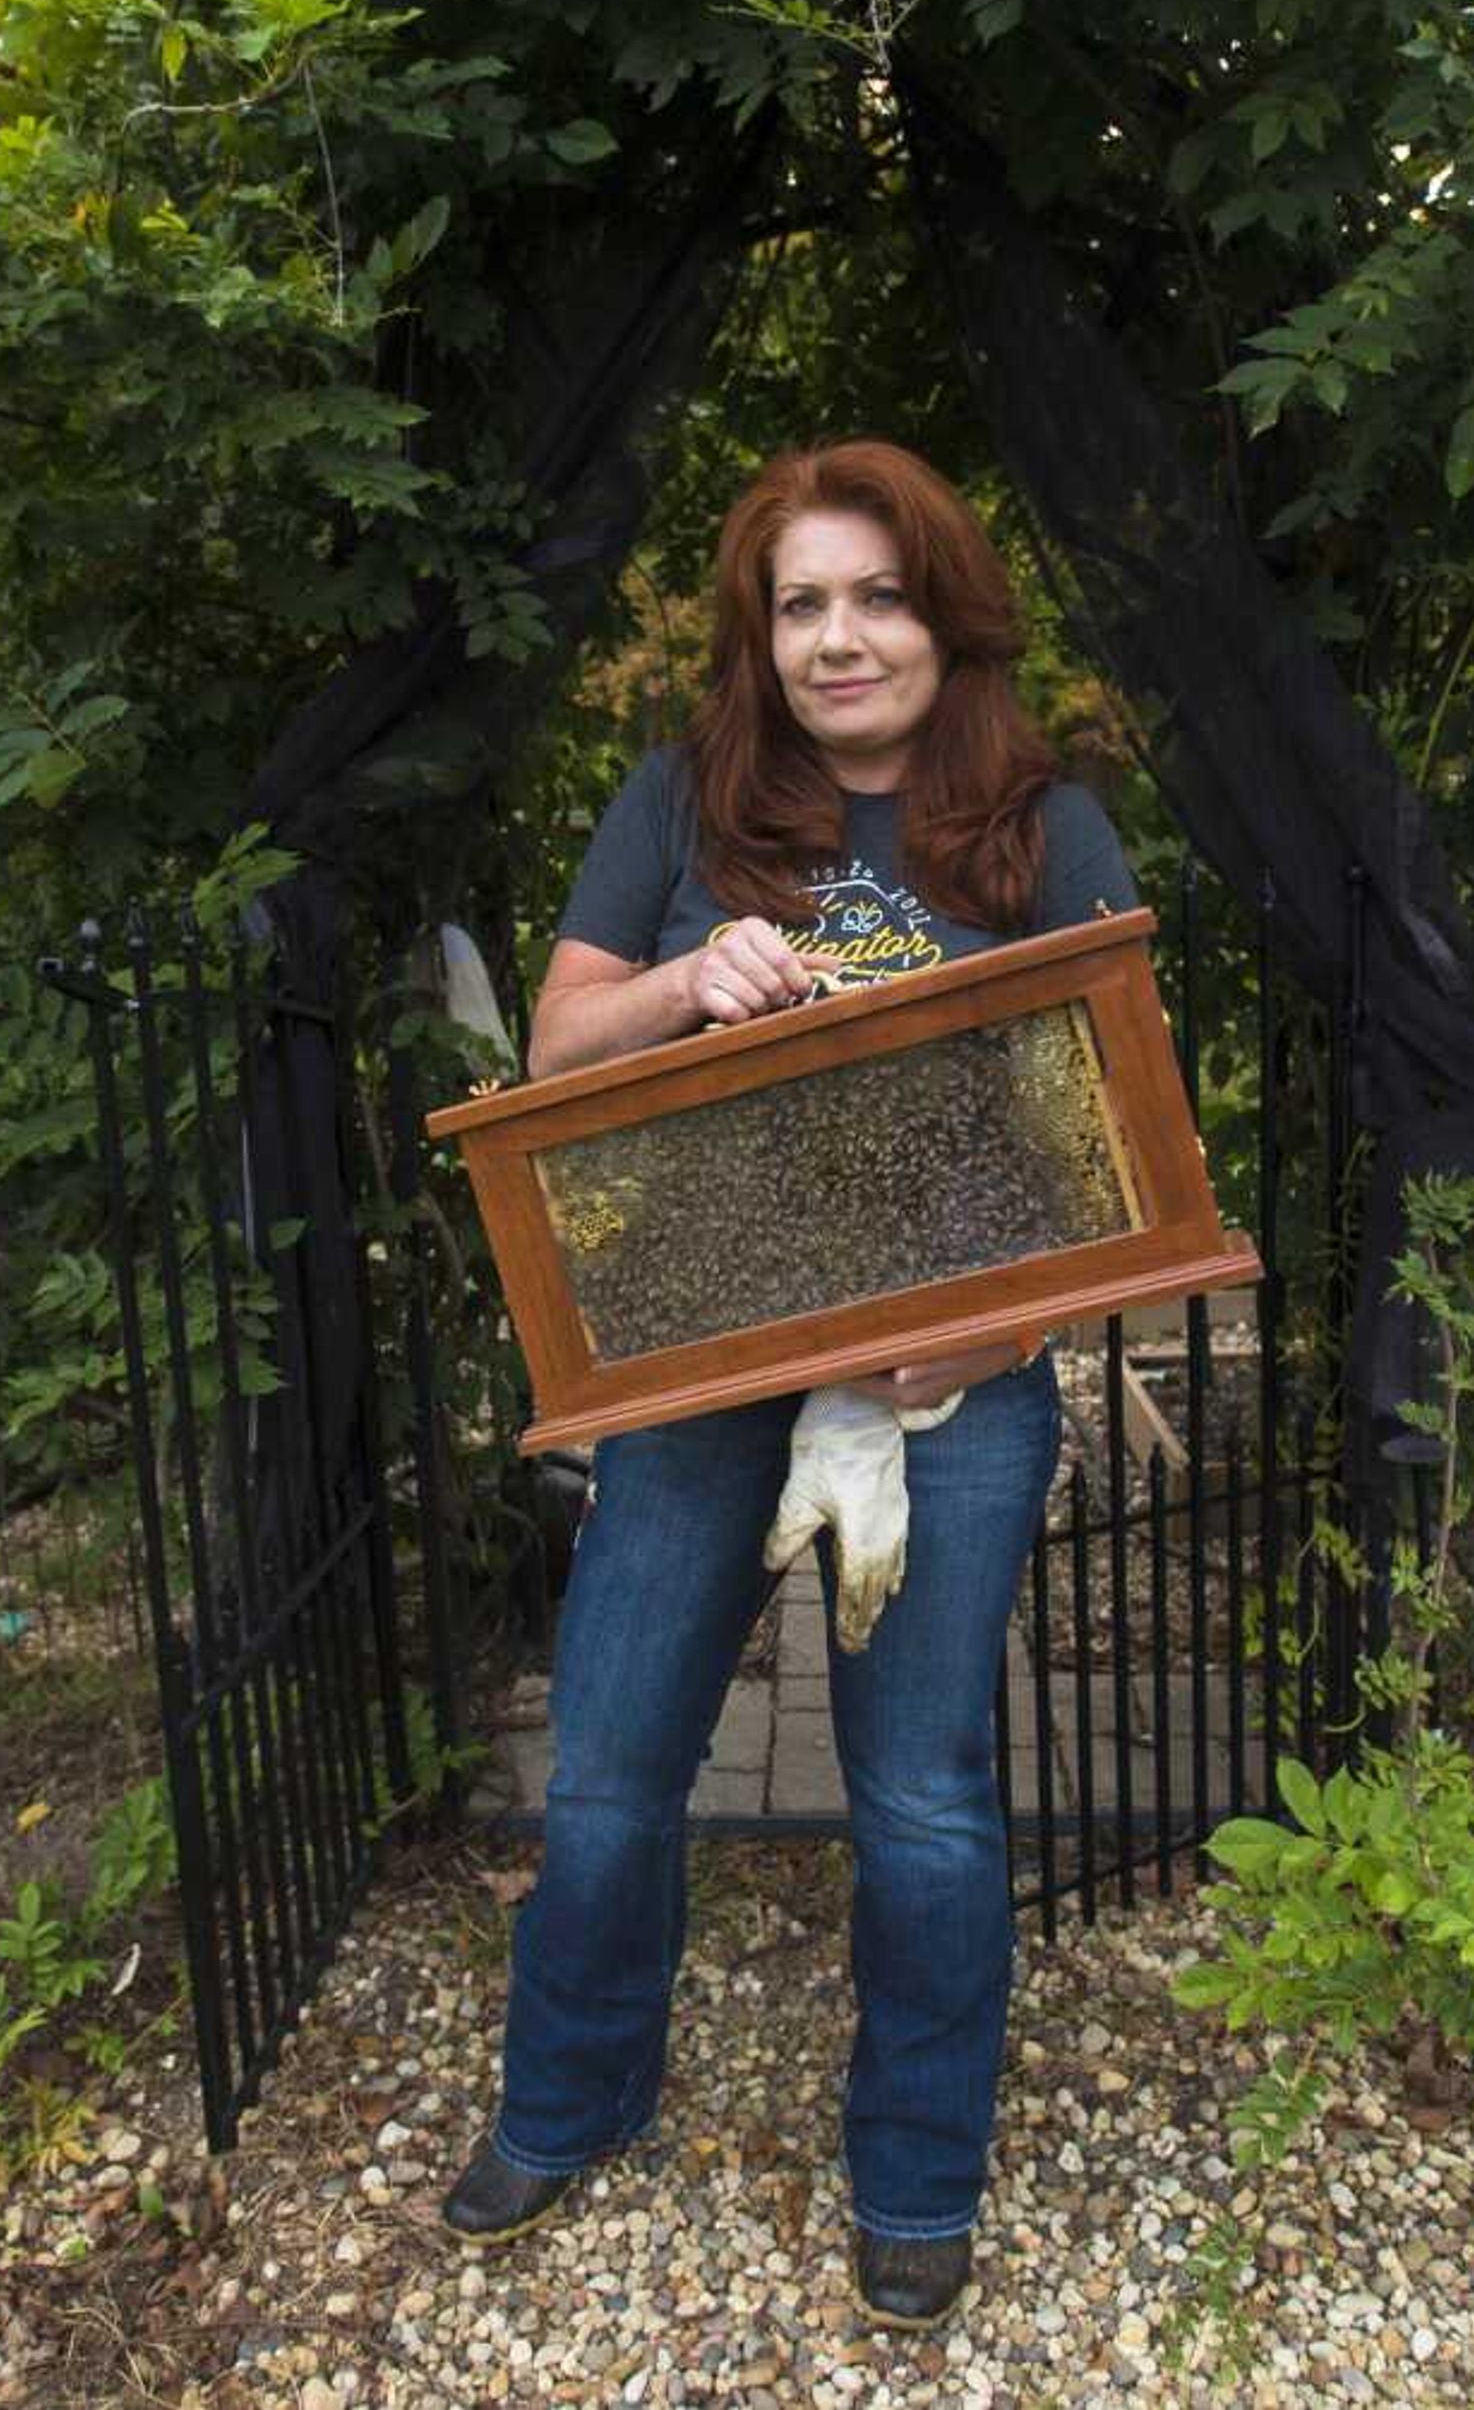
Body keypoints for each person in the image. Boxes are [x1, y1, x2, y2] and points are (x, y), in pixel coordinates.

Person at [438, 440, 1136, 2331]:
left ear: (946, 610)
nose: (841, 638)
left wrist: (991, 1337)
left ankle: (917, 2174)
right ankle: (568, 2100)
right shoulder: (680, 806)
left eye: (878, 595)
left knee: (919, 1795)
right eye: (801, 602)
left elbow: (1115, 1151)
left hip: (951, 1383)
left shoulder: (1047, 832)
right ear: (764, 633)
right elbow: (562, 1043)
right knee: (607, 1776)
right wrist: (688, 985)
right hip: (695, 1361)